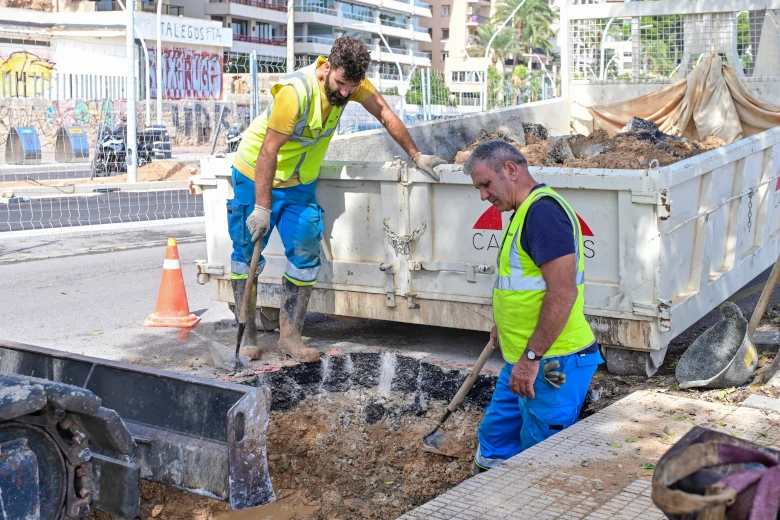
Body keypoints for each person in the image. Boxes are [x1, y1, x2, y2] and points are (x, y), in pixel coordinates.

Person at [227, 36, 447, 363]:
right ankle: (248, 334)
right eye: (341, 83)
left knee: (305, 252)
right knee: (246, 253)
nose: (345, 92)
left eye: (351, 86)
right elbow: (267, 151)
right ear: (327, 67)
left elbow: (385, 113)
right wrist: (262, 206)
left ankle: (290, 337)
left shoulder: (352, 85)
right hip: (255, 173)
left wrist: (416, 156)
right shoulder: (295, 95)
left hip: (299, 182)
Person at [463, 140, 603, 474]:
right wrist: (504, 325)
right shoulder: (524, 211)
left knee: (539, 458)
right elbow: (524, 285)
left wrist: (531, 359)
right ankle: (490, 501)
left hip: (552, 362)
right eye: (479, 187)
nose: (483, 195)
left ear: (510, 169)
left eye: (486, 184)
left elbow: (562, 292)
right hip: (523, 357)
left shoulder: (543, 214)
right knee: (495, 438)